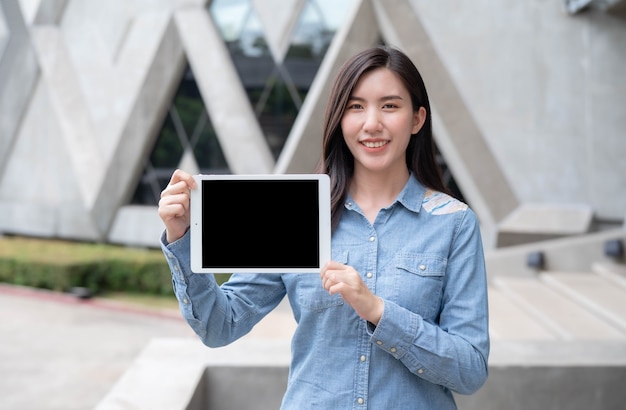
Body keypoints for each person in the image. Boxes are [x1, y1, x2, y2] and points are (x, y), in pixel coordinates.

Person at [158, 45, 489, 409]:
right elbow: (220, 326)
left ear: (417, 119)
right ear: (339, 118)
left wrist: (378, 310)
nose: (372, 123)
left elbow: (470, 370)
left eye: (390, 105)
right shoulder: (292, 213)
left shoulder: (454, 223)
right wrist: (182, 236)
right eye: (355, 106)